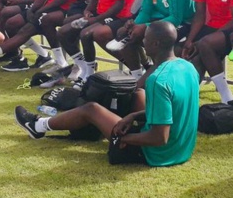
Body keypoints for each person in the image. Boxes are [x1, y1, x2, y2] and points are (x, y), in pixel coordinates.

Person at [14, 21, 200, 167]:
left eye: (145, 39)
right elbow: (176, 109)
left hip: (157, 154)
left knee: (91, 109)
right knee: (138, 95)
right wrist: (135, 115)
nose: (142, 42)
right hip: (182, 149)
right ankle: (107, 124)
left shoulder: (158, 80)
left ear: (156, 43)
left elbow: (160, 138)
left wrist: (123, 139)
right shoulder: (187, 67)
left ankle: (37, 126)